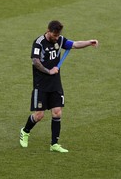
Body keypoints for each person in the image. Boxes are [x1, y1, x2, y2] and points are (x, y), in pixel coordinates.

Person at [19, 20, 98, 152]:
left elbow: (74, 44)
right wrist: (49, 71)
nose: (56, 38)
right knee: (39, 115)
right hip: (41, 84)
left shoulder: (59, 40)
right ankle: (25, 131)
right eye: (54, 35)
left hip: (55, 83)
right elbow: (35, 61)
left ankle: (54, 144)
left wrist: (89, 42)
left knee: (57, 112)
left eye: (58, 35)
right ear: (48, 31)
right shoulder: (39, 43)